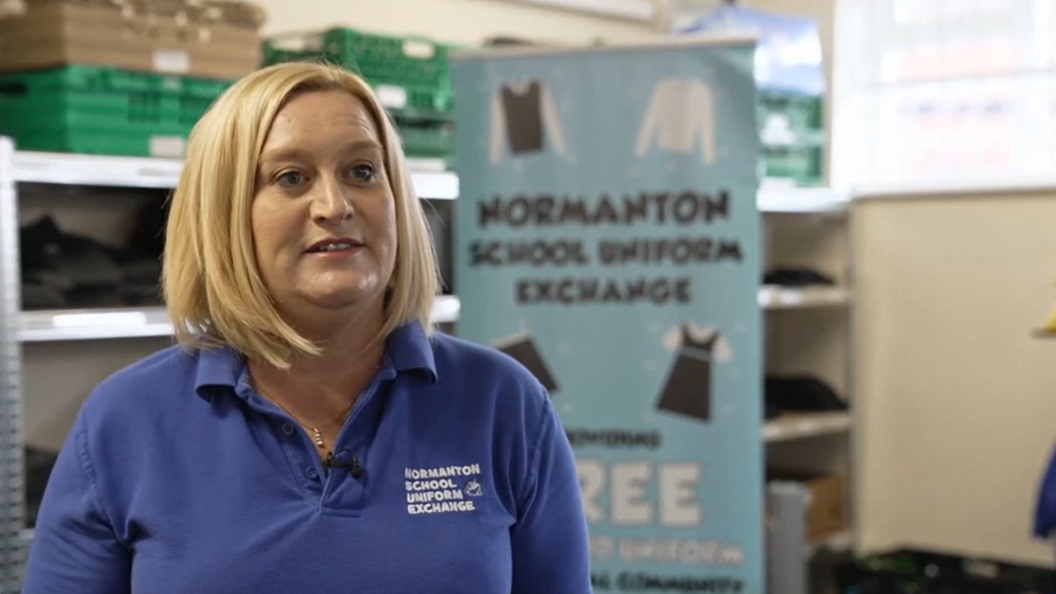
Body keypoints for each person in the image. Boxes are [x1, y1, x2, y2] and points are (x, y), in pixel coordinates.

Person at [22, 62, 591, 594]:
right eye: (291, 177)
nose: (334, 204)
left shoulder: (503, 404)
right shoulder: (124, 421)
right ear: (224, 215)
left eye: (362, 171)